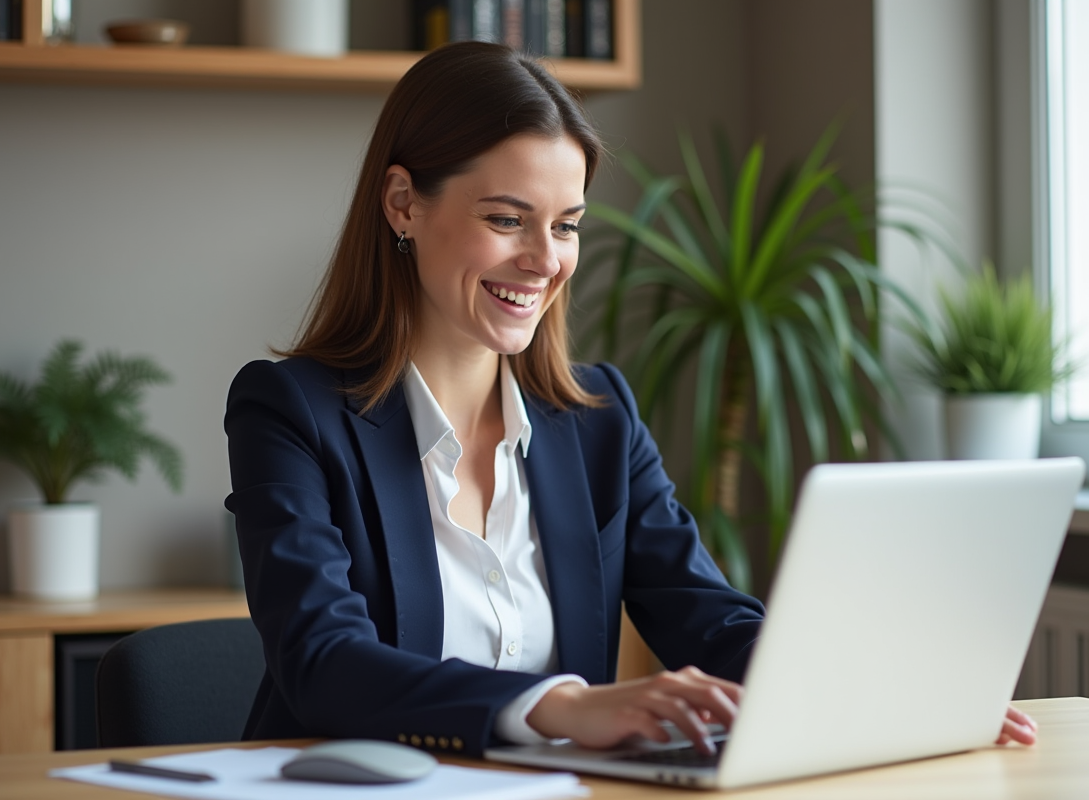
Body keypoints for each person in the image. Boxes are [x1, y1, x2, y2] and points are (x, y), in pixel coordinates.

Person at [224, 41, 1038, 758]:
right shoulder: (289, 411)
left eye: (568, 225)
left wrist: (897, 696)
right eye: (508, 219)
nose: (544, 260)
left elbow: (709, 620)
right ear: (403, 203)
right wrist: (562, 707)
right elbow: (324, 660)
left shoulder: (597, 421)